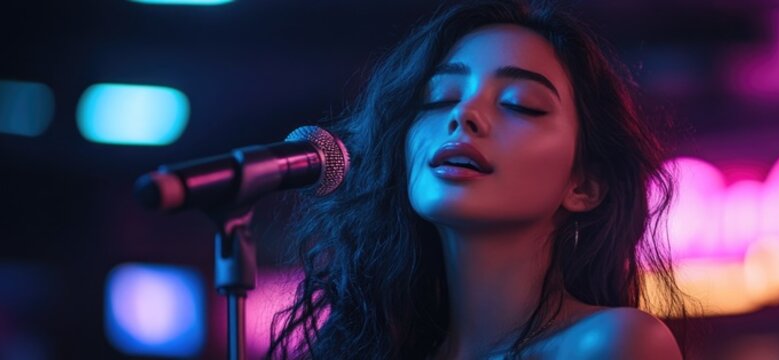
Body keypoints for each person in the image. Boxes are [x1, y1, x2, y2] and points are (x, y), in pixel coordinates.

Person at [269, 0, 692, 358]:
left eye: (521, 104)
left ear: (584, 185)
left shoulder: (611, 344)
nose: (462, 114)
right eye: (440, 98)